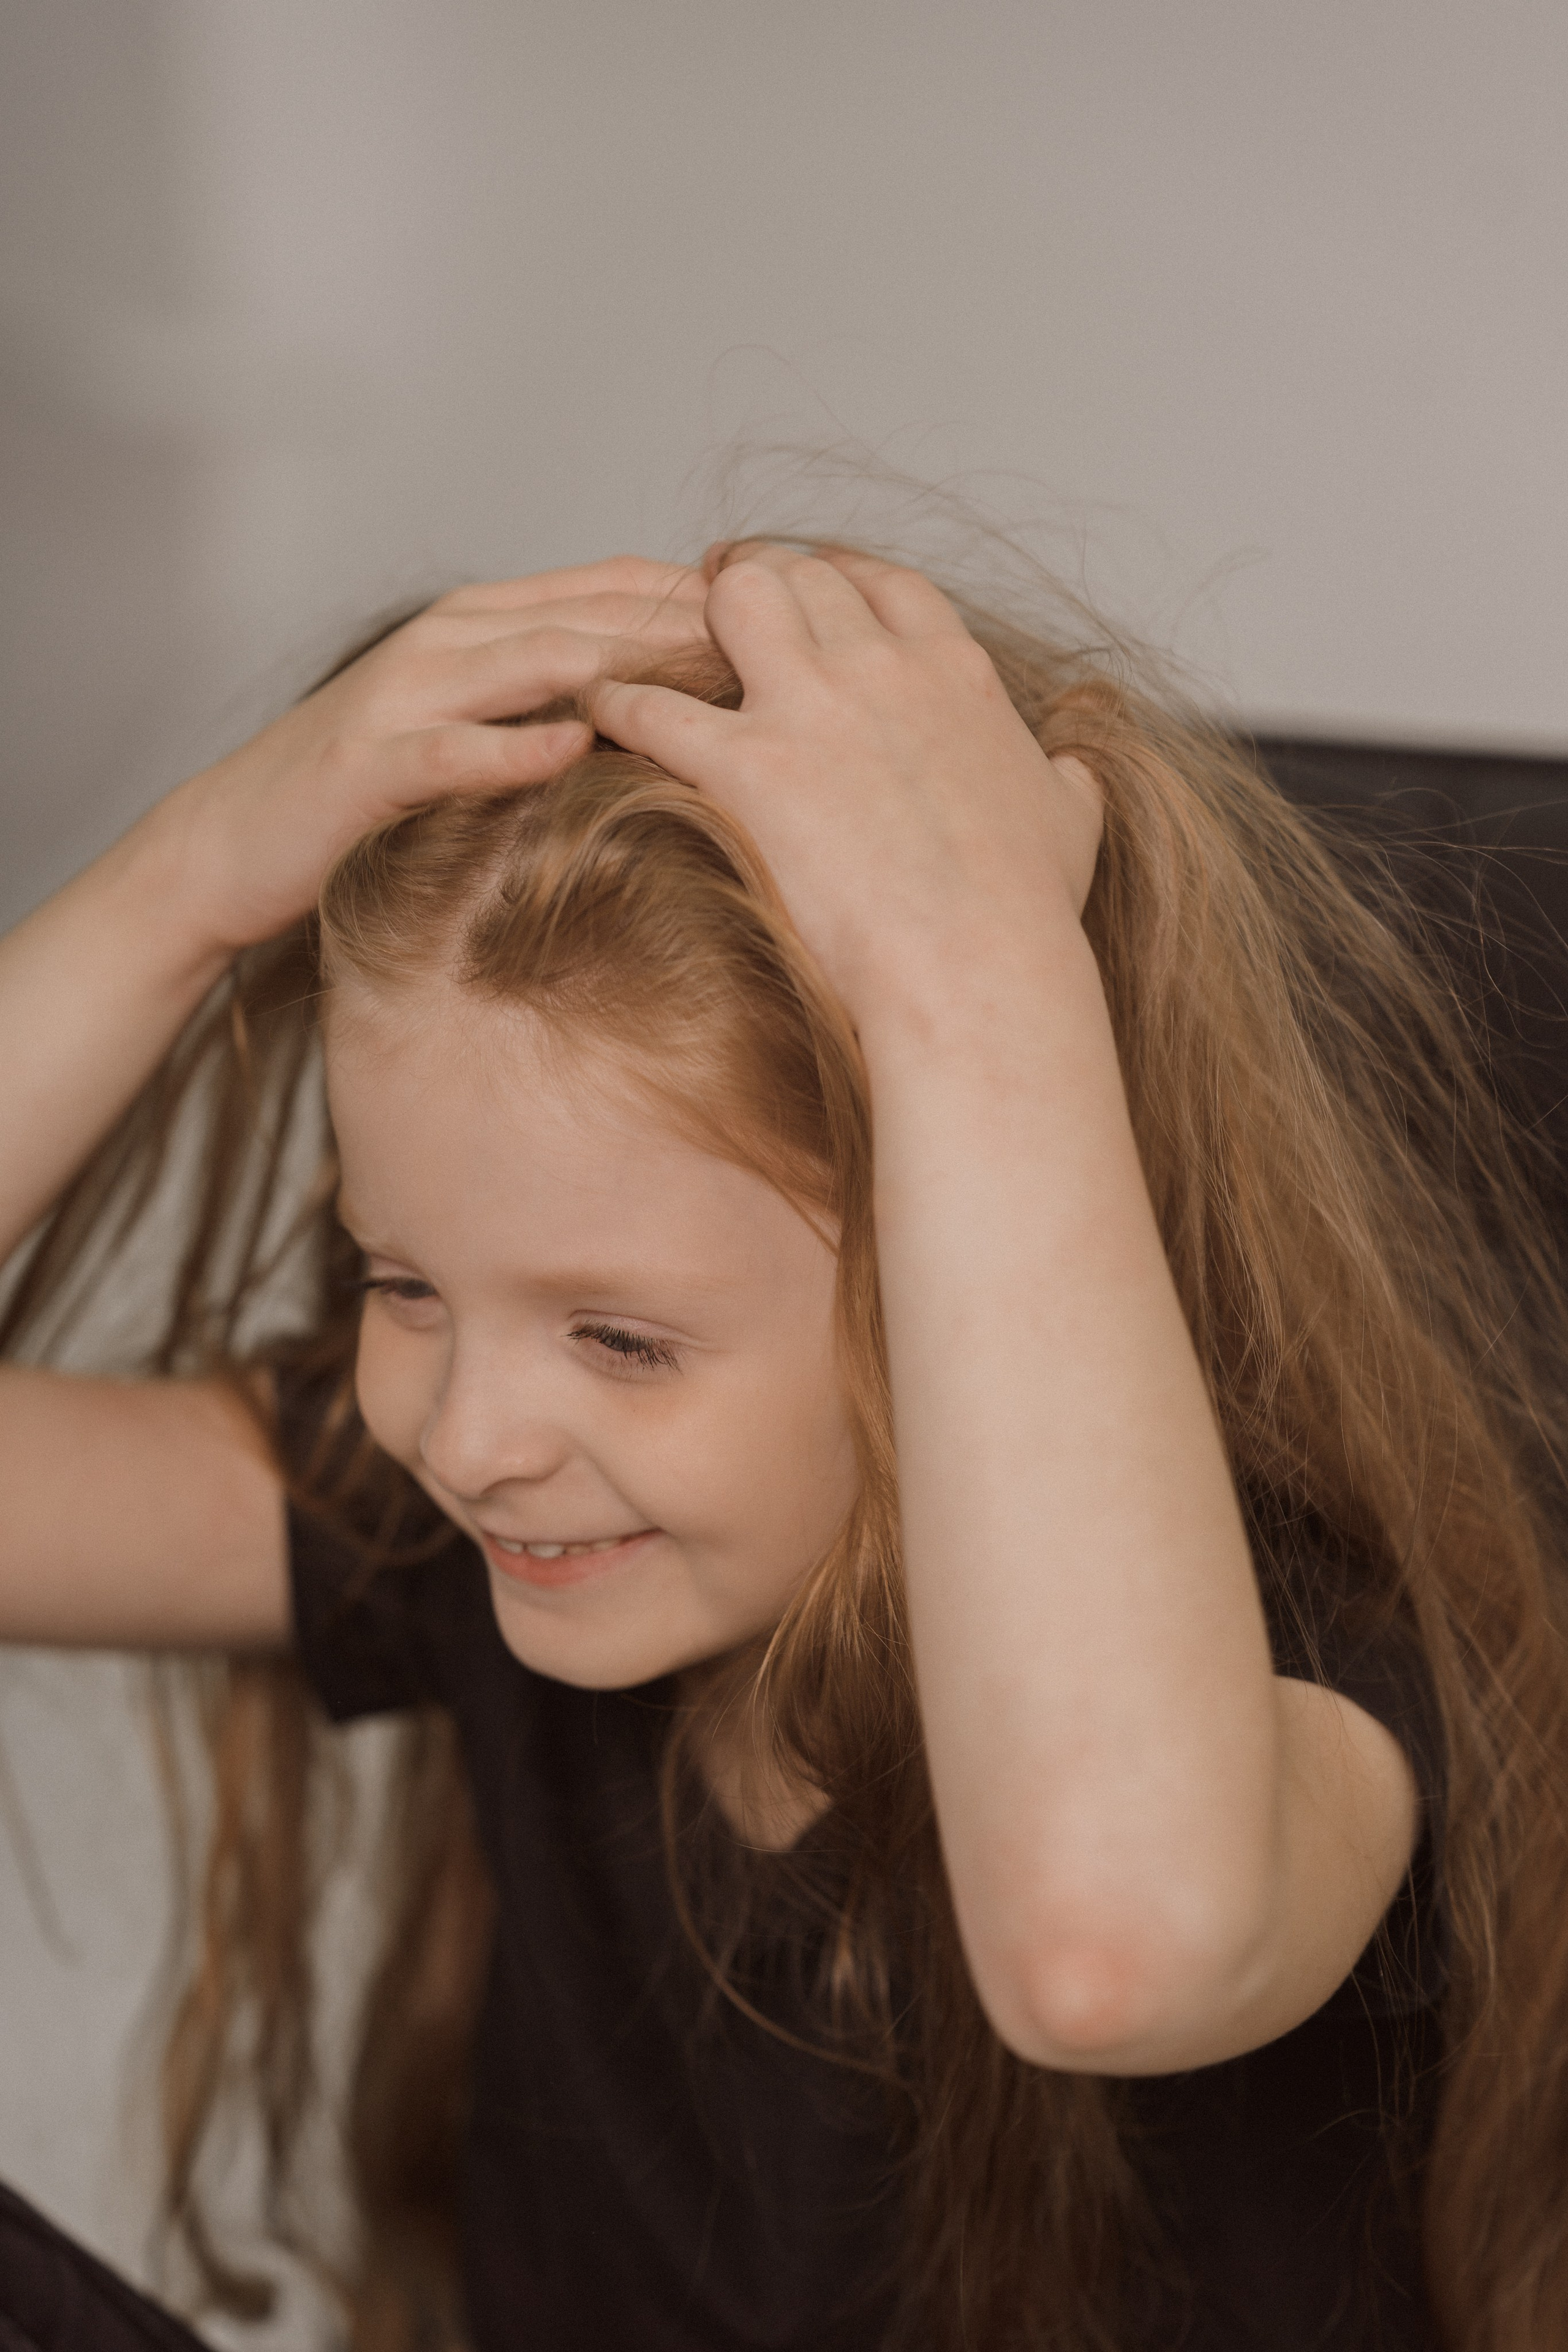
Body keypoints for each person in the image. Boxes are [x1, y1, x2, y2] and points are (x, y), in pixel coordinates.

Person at [2, 543, 1566, 2352]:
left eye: (622, 1340)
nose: (473, 1438)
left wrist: (973, 991)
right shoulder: (486, 1526)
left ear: (960, 1279)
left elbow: (1112, 1949)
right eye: (402, 1283)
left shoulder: (1302, 1664)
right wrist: (189, 880)